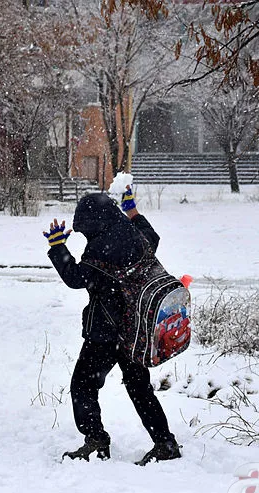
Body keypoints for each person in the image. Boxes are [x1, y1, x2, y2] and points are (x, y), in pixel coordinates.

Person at [44, 185, 181, 466]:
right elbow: (152, 236)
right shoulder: (136, 236)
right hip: (136, 330)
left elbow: (76, 278)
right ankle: (165, 443)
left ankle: (96, 441)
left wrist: (58, 247)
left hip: (105, 334)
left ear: (95, 223)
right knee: (140, 389)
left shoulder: (100, 249)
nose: (85, 235)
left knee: (82, 385)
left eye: (85, 230)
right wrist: (133, 212)